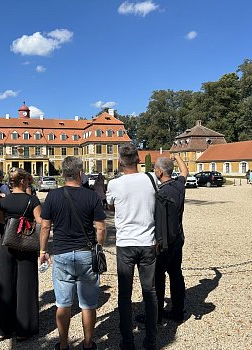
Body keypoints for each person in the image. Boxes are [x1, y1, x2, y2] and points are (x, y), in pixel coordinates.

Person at [39, 156, 106, 350]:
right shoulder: (92, 196)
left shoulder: (53, 196)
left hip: (61, 254)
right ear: (80, 173)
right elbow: (100, 229)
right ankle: (87, 343)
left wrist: (43, 250)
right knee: (88, 304)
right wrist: (98, 249)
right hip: (86, 254)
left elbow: (45, 227)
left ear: (62, 174)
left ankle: (62, 344)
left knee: (63, 303)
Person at [106, 143, 158, 350]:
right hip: (148, 242)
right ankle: (151, 340)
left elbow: (110, 206)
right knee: (150, 292)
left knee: (125, 294)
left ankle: (127, 341)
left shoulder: (115, 184)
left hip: (126, 243)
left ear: (119, 162)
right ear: (138, 159)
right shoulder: (151, 178)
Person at [0, 167, 42, 342]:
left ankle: (3, 329)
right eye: (28, 180)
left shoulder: (3, 200)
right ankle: (23, 329)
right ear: (23, 181)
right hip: (26, 245)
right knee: (25, 286)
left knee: (5, 285)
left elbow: (1, 220)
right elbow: (40, 222)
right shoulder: (32, 200)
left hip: (7, 244)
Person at [153, 154, 188, 323]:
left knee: (158, 277)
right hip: (178, 239)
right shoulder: (179, 186)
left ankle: (157, 314)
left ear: (160, 172)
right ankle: (178, 311)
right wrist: (178, 157)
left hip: (163, 242)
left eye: (154, 168)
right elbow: (184, 171)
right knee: (176, 275)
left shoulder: (160, 193)